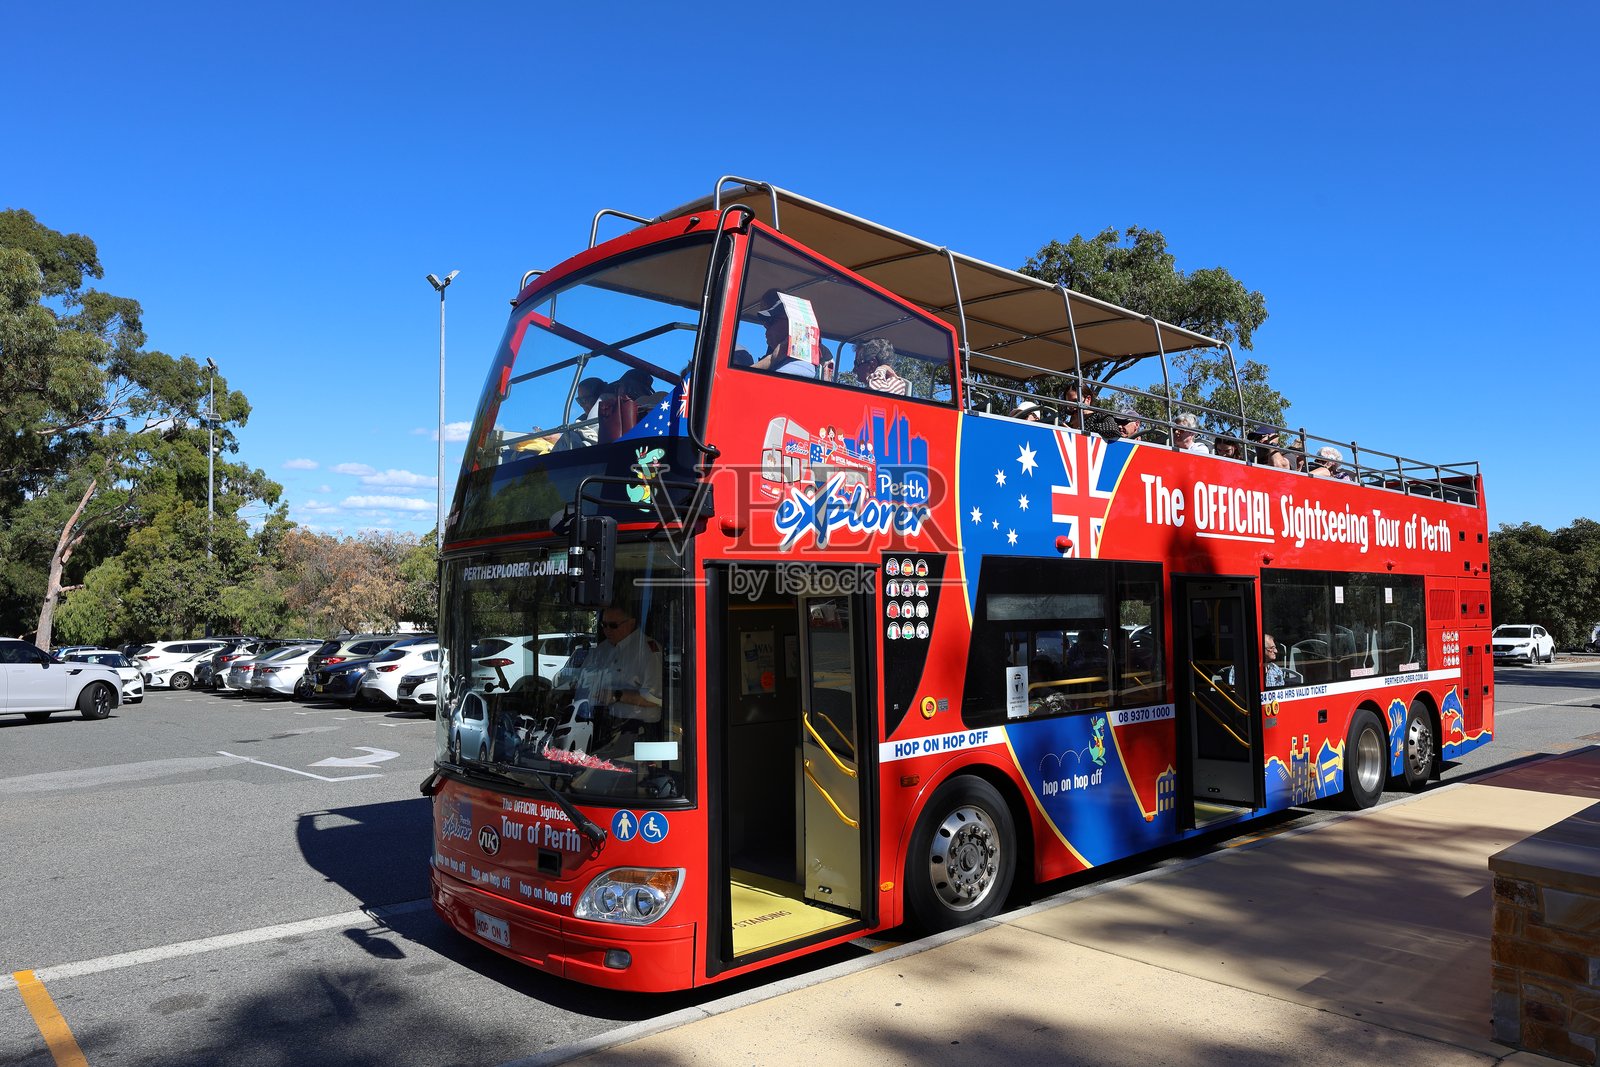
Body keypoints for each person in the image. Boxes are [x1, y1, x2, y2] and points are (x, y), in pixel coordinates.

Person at [572, 605, 663, 743]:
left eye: (613, 625)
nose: (607, 630)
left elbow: (654, 698)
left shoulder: (647, 649)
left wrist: (617, 695)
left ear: (631, 623)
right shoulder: (601, 650)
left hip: (637, 728)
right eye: (604, 625)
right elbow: (583, 682)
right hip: (600, 723)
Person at [750, 289, 819, 378]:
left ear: (792, 324)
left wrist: (772, 359)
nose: (765, 325)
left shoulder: (796, 368)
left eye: (771, 320)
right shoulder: (775, 358)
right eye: (764, 320)